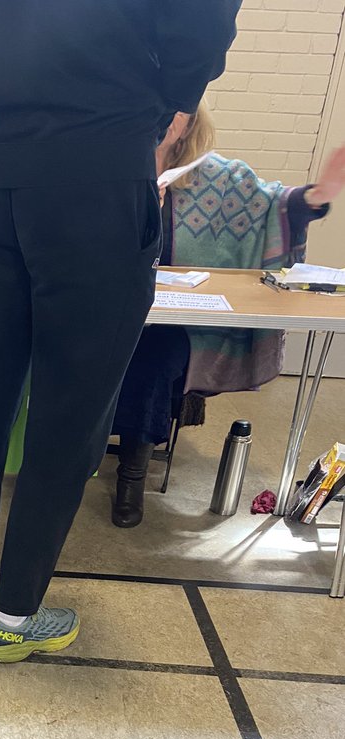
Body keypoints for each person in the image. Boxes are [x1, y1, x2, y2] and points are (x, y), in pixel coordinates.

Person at [0, 0, 241, 662]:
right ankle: (14, 616)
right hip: (101, 154)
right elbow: (203, 17)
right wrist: (164, 98)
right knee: (74, 404)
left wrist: (7, 98)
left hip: (2, 163)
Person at [111, 105, 345, 527]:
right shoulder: (105, 169)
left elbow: (275, 202)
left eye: (174, 109)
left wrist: (314, 198)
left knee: (152, 356)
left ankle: (131, 474)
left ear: (187, 124)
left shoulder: (219, 177)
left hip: (175, 324)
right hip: (107, 308)